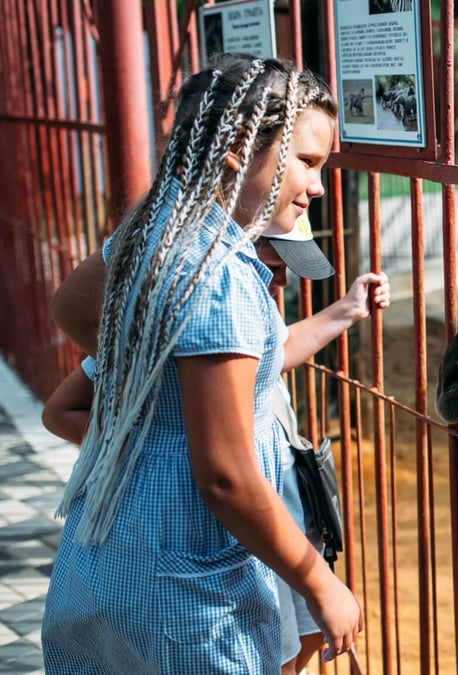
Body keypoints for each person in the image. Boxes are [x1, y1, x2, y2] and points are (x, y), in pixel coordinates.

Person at [41, 53, 368, 673]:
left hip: (104, 560)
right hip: (186, 596)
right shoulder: (221, 273)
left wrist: (156, 382)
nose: (319, 186)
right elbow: (225, 477)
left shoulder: (153, 232)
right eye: (306, 161)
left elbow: (70, 307)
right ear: (239, 148)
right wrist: (321, 585)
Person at [42, 235, 389, 674]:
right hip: (234, 529)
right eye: (273, 264)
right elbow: (62, 409)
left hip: (274, 518)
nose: (279, 280)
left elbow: (277, 351)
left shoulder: (243, 316)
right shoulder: (185, 327)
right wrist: (160, 447)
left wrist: (347, 310)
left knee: (296, 643)